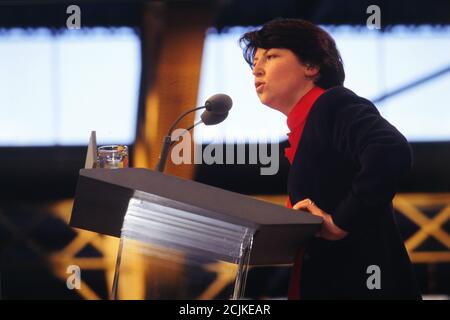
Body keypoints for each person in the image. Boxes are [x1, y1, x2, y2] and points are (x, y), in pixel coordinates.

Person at [240, 18, 421, 299]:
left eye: (272, 56)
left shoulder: (333, 104)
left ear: (312, 66)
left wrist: (340, 222)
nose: (257, 68)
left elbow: (390, 150)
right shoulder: (305, 129)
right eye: (256, 61)